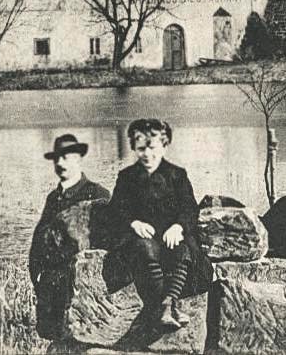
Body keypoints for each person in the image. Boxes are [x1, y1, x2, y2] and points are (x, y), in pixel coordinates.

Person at [109, 118, 211, 330]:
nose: (147, 154)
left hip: (171, 237)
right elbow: (117, 209)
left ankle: (165, 305)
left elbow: (189, 207)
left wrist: (179, 226)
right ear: (134, 148)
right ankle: (166, 306)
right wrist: (133, 222)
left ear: (164, 146)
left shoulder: (176, 175)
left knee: (182, 251)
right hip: (142, 239)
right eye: (141, 149)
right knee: (144, 249)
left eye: (152, 147)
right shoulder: (126, 177)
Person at [28, 133, 112, 341]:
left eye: (66, 156)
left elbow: (108, 244)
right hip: (50, 288)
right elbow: (39, 241)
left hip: (80, 291)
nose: (59, 162)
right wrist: (37, 278)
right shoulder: (53, 198)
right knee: (55, 341)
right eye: (57, 158)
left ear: (78, 158)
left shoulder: (97, 194)